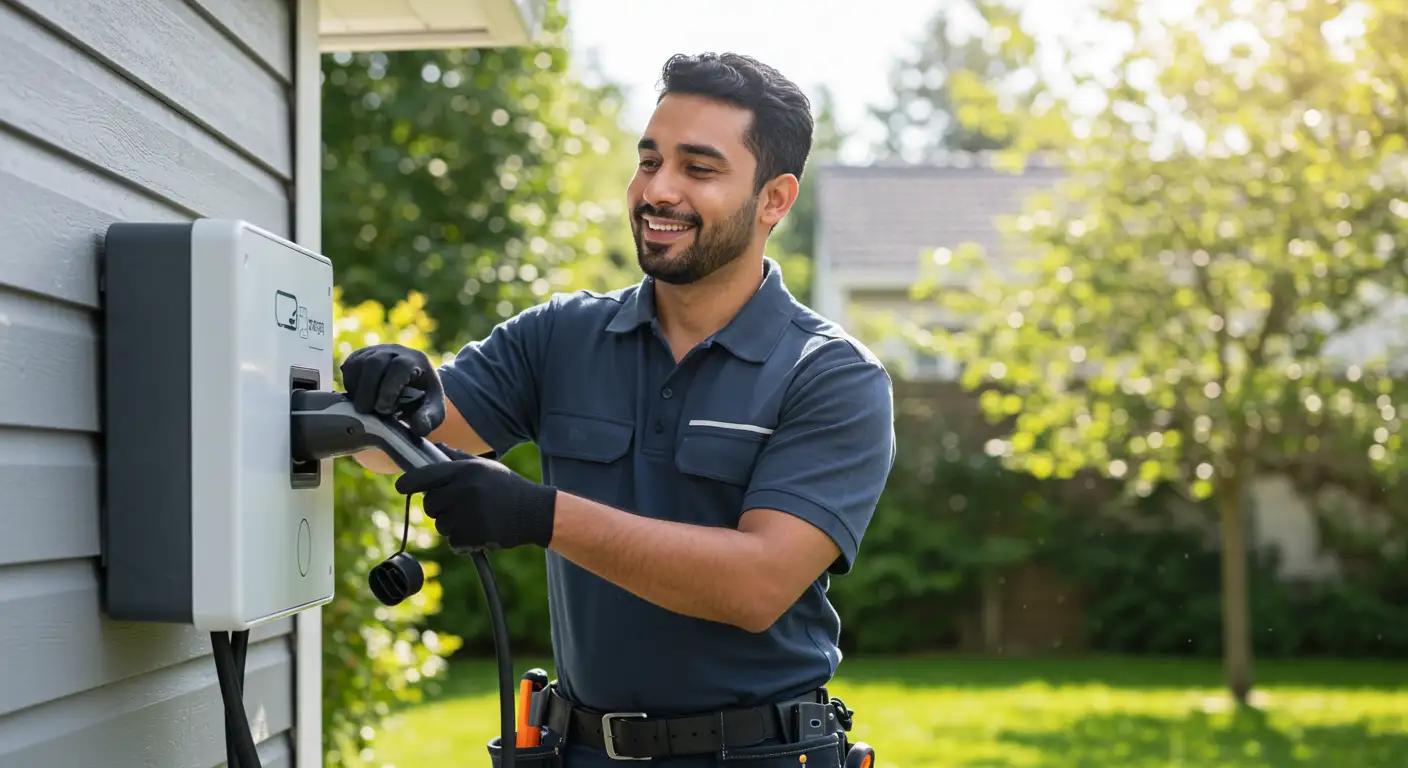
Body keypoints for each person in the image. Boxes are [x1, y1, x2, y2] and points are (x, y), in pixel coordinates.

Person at [343, 52, 896, 766]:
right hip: (577, 751)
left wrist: (539, 515)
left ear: (774, 199)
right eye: (648, 161)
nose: (657, 190)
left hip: (757, 756)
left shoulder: (831, 375)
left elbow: (756, 585)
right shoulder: (559, 336)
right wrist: (387, 389)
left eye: (698, 169)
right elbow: (386, 440)